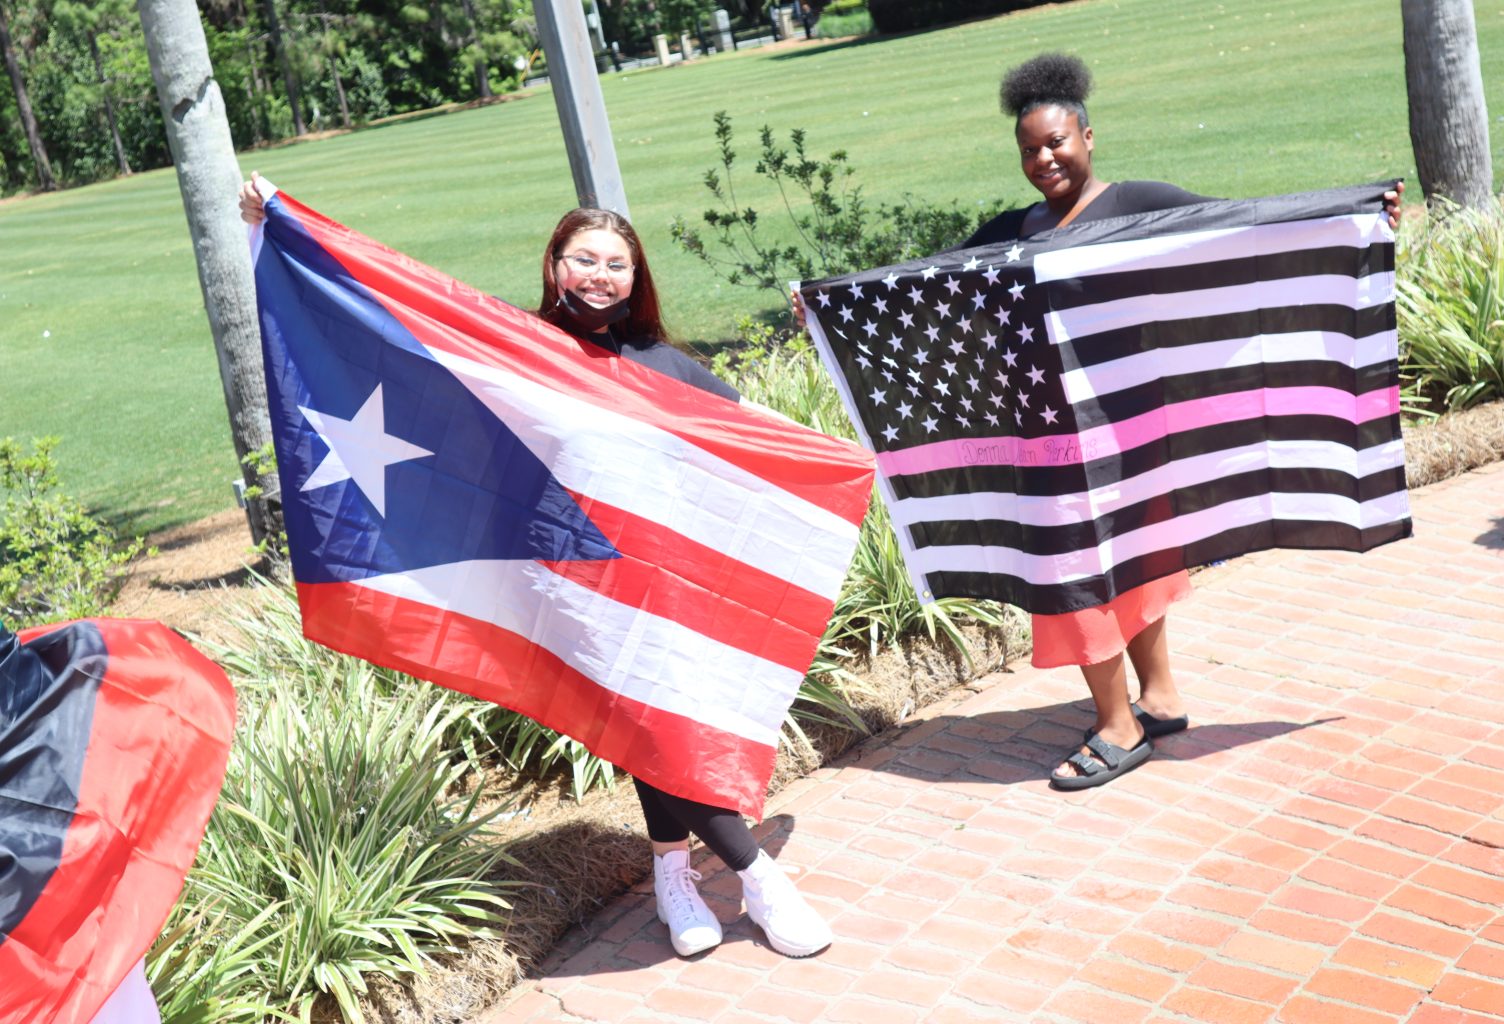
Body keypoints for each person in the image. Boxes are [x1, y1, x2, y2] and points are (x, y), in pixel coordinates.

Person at [238, 178, 832, 960]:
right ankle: (753, 876)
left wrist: (825, 377)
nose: (600, 276)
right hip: (573, 582)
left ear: (635, 276)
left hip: (662, 588)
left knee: (660, 729)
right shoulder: (514, 348)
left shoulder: (663, 365)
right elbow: (406, 323)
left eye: (617, 263)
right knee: (649, 727)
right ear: (554, 265)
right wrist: (277, 228)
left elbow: (753, 435)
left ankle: (679, 874)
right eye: (584, 258)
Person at [792, 53, 1401, 791]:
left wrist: (1354, 217)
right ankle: (1146, 706)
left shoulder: (1140, 203)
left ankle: (1128, 721)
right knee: (1086, 573)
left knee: (1113, 569)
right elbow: (926, 285)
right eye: (1028, 149)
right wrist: (829, 307)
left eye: (1056, 142)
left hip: (1128, 436)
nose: (1043, 158)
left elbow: (1239, 233)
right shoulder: (1016, 229)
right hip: (1053, 442)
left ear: (1088, 135)